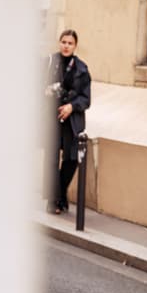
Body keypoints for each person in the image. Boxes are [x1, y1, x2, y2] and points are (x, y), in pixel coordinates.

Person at [43, 30, 91, 214]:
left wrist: (71, 106)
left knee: (71, 160)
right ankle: (52, 200)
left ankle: (60, 194)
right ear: (59, 42)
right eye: (63, 41)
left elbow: (86, 99)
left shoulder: (81, 68)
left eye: (70, 43)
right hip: (51, 118)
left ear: (75, 46)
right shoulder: (49, 63)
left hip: (72, 121)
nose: (66, 45)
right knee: (51, 160)